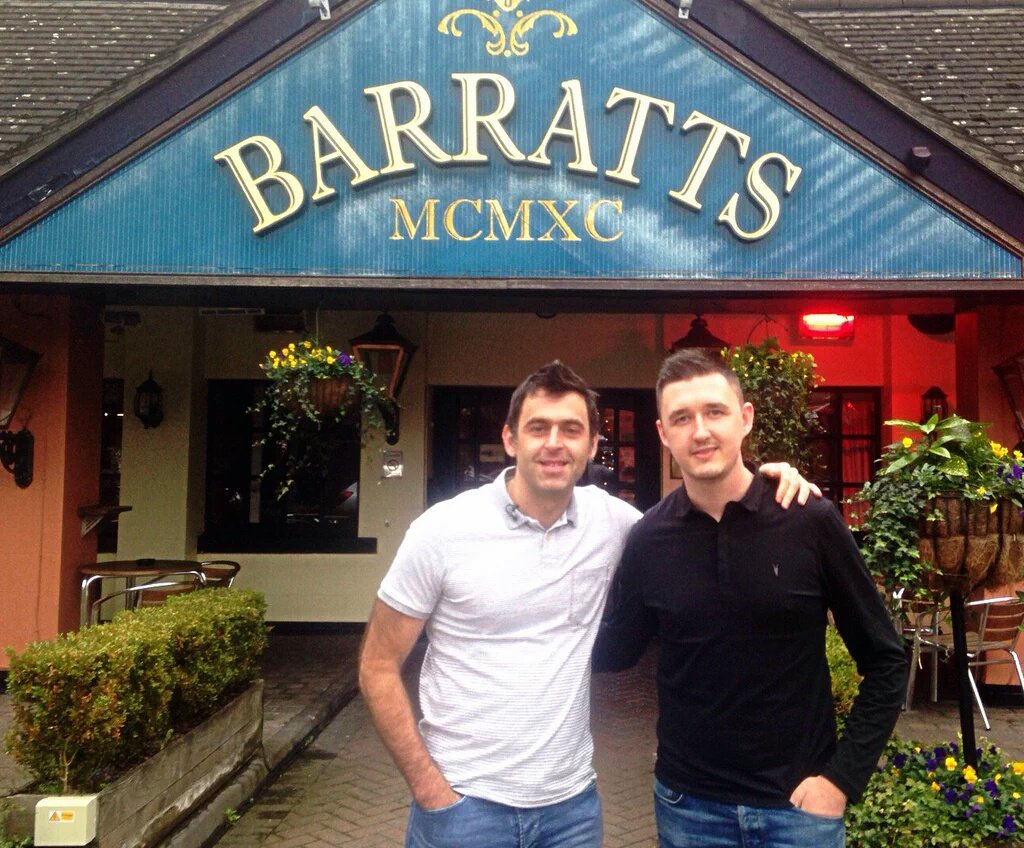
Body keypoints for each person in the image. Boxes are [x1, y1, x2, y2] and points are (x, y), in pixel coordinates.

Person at [359, 360, 818, 848]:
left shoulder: (617, 524)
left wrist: (767, 481)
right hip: (463, 809)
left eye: (571, 429)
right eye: (538, 427)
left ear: (594, 444)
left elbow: (695, 525)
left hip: (571, 812)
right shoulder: (442, 531)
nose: (554, 442)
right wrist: (431, 791)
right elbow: (377, 665)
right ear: (511, 439)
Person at [593, 349, 907, 848]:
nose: (700, 431)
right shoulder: (649, 539)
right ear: (663, 433)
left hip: (798, 813)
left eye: (715, 412)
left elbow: (886, 659)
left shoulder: (808, 520)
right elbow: (613, 651)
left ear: (745, 419)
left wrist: (841, 780)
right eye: (682, 418)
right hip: (688, 809)